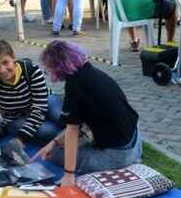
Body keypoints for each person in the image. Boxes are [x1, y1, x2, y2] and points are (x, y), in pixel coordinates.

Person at [33, 40, 141, 186]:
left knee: (55, 155)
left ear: (56, 67)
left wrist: (68, 175)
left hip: (119, 156)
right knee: (59, 145)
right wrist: (54, 142)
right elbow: (80, 121)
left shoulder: (74, 85)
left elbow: (72, 129)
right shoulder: (92, 71)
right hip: (135, 141)